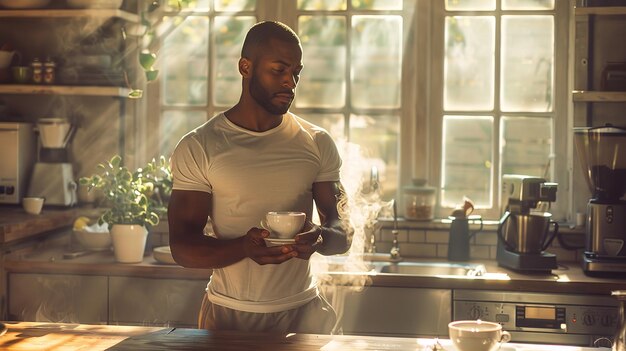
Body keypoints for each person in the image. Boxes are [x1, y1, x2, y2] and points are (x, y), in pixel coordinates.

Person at [167, 21, 353, 334]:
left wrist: (320, 236)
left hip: (305, 313)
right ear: (245, 67)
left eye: (296, 72)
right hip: (228, 315)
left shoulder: (316, 142)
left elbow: (343, 230)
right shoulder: (200, 145)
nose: (290, 83)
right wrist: (244, 248)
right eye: (278, 70)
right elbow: (183, 247)